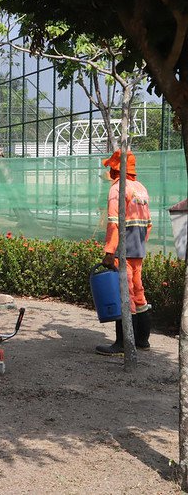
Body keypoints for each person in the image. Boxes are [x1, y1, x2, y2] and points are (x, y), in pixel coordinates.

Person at [96, 149, 152, 356]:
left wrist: (110, 251)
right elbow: (148, 224)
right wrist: (139, 244)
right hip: (138, 248)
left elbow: (113, 223)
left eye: (111, 166)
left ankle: (123, 344)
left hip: (123, 249)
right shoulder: (141, 188)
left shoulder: (117, 189)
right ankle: (142, 340)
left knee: (124, 295)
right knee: (139, 293)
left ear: (116, 168)